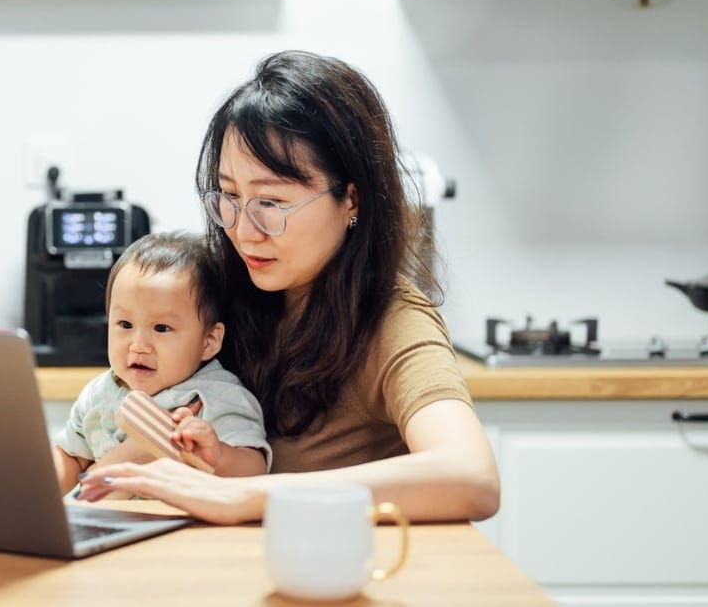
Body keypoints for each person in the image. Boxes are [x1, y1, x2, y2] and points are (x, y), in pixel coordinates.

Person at [75, 50, 501, 524]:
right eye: (230, 197)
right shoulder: (224, 288)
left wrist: (247, 496)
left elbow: (473, 477)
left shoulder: (390, 318)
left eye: (272, 202)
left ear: (350, 199)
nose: (243, 231)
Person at [52, 231, 271, 495]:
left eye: (161, 328)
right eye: (125, 324)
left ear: (209, 341)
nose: (139, 345)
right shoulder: (99, 392)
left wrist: (220, 457)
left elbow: (255, 469)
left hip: (181, 527)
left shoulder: (218, 396)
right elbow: (72, 457)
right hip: (106, 523)